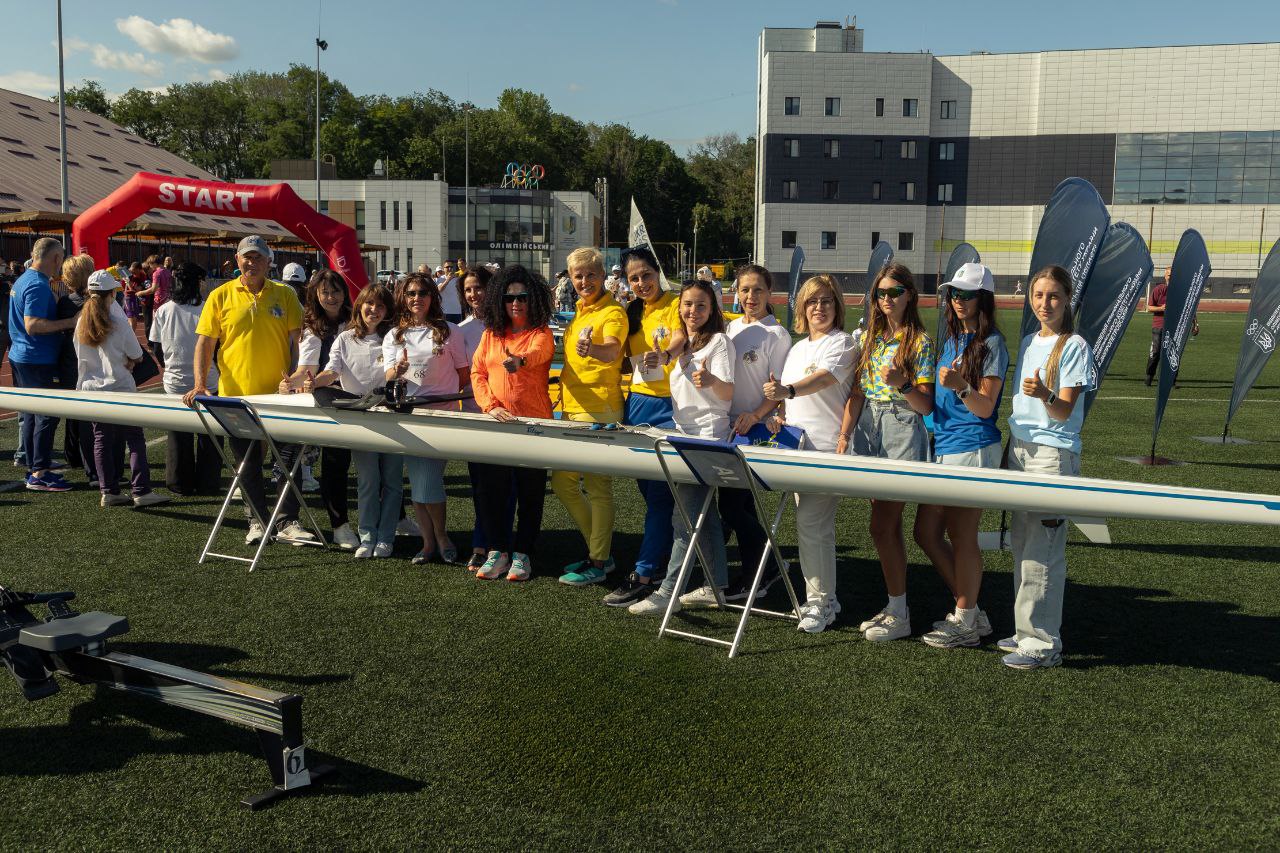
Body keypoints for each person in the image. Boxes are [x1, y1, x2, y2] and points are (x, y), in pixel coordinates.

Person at [183, 236, 309, 545]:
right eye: (246, 257)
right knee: (247, 463)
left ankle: (288, 521)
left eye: (257, 257)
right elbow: (205, 343)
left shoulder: (285, 294)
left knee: (287, 462)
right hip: (236, 398)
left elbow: (299, 341)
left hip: (280, 397)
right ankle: (257, 522)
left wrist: (299, 379)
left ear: (269, 262)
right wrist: (200, 384)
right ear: (237, 261)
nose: (251, 263)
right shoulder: (220, 295)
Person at [627, 280, 736, 616]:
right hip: (684, 435)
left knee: (685, 517)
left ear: (712, 309)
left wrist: (712, 381)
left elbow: (728, 392)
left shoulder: (718, 342)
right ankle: (716, 586)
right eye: (688, 304)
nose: (693, 311)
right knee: (705, 515)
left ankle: (668, 592)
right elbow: (671, 353)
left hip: (706, 438)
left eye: (701, 305)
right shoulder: (684, 344)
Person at [1001, 265, 1092, 670]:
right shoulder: (1028, 341)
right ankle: (1025, 630)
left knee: (1044, 550)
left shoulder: (1074, 346)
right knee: (1022, 544)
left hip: (1052, 456)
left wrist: (1044, 393)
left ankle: (1042, 644)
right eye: (1038, 295)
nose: (1045, 303)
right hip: (1020, 451)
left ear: (1068, 298)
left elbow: (1063, 410)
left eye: (1053, 295)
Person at [913, 263, 1007, 648]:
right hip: (946, 447)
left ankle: (966, 620)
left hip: (973, 446)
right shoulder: (952, 339)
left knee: (962, 535)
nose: (958, 300)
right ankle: (972, 612)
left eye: (967, 294)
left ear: (983, 299)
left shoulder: (992, 344)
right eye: (954, 293)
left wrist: (961, 386)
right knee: (925, 532)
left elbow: (985, 407)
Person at [841, 263, 935, 644]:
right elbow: (857, 393)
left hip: (901, 426)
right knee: (885, 526)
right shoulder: (870, 339)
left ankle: (900, 612)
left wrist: (904, 384)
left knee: (882, 525)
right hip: (869, 427)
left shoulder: (920, 342)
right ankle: (896, 605)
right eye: (881, 293)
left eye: (895, 292)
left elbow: (925, 405)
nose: (887, 299)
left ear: (910, 295)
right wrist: (845, 434)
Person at [762, 275, 856, 633]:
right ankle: (824, 599)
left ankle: (819, 603)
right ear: (802, 308)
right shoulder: (798, 348)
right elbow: (788, 400)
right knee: (814, 528)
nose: (819, 307)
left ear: (837, 307)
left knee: (812, 525)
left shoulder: (843, 343)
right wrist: (778, 415)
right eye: (812, 301)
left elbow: (824, 379)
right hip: (796, 447)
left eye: (827, 301)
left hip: (826, 447)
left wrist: (786, 391)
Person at [600, 247, 683, 605]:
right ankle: (663, 560)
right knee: (650, 494)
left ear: (657, 272)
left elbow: (680, 338)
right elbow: (620, 358)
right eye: (633, 278)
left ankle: (645, 572)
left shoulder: (676, 304)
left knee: (661, 497)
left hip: (671, 407)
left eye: (646, 275)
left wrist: (666, 354)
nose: (641, 283)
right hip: (636, 406)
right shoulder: (630, 311)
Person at [470, 265, 556, 581]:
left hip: (534, 426)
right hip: (497, 424)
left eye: (522, 297)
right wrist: (490, 406)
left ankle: (523, 554)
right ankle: (498, 551)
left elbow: (538, 353)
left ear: (534, 299)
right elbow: (477, 373)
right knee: (492, 492)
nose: (516, 303)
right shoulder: (490, 335)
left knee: (530, 494)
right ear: (500, 301)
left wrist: (519, 361)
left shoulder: (542, 333)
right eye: (509, 298)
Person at [309, 284, 402, 558]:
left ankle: (386, 538)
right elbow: (332, 371)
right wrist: (314, 381)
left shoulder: (394, 337)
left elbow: (396, 372)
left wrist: (400, 371)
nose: (374, 310)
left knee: (392, 481)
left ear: (387, 311)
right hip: (361, 418)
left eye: (381, 306)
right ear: (360, 306)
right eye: (369, 304)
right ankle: (368, 536)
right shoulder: (345, 338)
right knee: (368, 480)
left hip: (392, 416)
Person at [553, 247, 627, 587]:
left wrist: (593, 349)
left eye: (591, 275)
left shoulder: (612, 312)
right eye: (578, 276)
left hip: (599, 408)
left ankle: (598, 561)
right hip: (572, 406)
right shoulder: (581, 312)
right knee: (562, 482)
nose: (584, 281)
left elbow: (612, 349)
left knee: (598, 487)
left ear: (603, 276)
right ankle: (600, 551)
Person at [384, 272, 469, 565]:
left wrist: (443, 397)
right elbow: (388, 376)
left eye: (422, 292)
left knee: (428, 478)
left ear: (433, 296)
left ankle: (439, 538)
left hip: (441, 416)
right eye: (411, 293)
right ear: (403, 298)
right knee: (420, 480)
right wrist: (399, 369)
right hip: (408, 416)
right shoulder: (394, 335)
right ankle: (431, 541)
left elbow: (463, 374)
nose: (416, 298)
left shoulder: (450, 331)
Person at [720, 263, 791, 601]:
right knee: (740, 506)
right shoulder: (732, 327)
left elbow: (778, 388)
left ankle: (766, 567)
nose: (750, 296)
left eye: (758, 290)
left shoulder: (776, 334)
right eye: (745, 289)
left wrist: (757, 415)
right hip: (729, 426)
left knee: (732, 507)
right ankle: (756, 572)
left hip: (755, 428)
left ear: (769, 293)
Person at [74, 270, 169, 509]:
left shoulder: (81, 322)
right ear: (111, 294)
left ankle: (108, 490)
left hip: (92, 388)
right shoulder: (117, 323)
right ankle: (141, 490)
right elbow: (137, 354)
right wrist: (129, 361)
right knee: (134, 438)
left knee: (101, 439)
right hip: (121, 387)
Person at [280, 269, 358, 549]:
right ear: (316, 295)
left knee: (377, 463)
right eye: (325, 292)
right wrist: (290, 383)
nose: (331, 297)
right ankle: (340, 526)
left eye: (336, 291)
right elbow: (306, 370)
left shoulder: (356, 320)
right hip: (332, 403)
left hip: (362, 398)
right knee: (335, 463)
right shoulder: (313, 330)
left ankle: (394, 518)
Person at [8, 238, 77, 492]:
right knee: (46, 415)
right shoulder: (37, 285)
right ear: (56, 258)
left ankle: (35, 461)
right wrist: (70, 322)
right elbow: (32, 325)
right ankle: (39, 472)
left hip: (23, 355)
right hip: (37, 359)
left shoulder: (25, 279)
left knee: (30, 413)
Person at [150, 262, 222, 496]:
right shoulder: (208, 309)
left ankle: (179, 482)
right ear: (198, 282)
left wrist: (170, 365)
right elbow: (218, 347)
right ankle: (208, 482)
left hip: (175, 382)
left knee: (178, 436)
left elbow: (155, 345)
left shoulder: (163, 310)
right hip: (208, 382)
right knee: (210, 435)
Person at [456, 265, 502, 569]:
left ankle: (502, 544)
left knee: (506, 486)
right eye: (468, 290)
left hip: (508, 415)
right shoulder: (461, 331)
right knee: (481, 486)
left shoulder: (508, 324)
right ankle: (480, 542)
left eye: (479, 288)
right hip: (476, 416)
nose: (474, 294)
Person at [1145, 267, 1170, 386]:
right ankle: (1149, 376)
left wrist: (1195, 323)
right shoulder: (1159, 289)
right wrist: (1161, 308)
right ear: (1165, 276)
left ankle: (1171, 380)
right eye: (1169, 275)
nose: (1171, 277)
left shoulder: (1180, 291)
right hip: (1159, 325)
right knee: (1155, 352)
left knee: (1172, 353)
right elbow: (1149, 307)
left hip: (1174, 326)